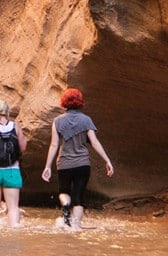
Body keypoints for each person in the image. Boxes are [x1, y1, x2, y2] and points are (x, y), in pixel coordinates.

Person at [41, 88, 114, 230]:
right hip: (82, 164)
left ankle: (66, 206)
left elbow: (54, 145)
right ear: (80, 101)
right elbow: (94, 142)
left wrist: (47, 166)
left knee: (64, 191)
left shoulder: (57, 121)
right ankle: (76, 227)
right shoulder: (86, 120)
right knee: (78, 196)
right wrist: (107, 160)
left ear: (64, 102)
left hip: (64, 163)